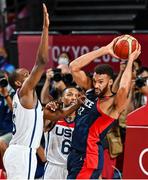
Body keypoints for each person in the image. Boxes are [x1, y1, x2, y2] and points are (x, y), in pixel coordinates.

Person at [67, 37, 141, 179]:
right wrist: (104, 50)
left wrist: (130, 61)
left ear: (111, 81)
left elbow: (124, 88)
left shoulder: (112, 104)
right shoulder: (91, 91)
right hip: (75, 153)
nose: (96, 85)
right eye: (95, 81)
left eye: (101, 82)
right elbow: (73, 67)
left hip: (88, 155)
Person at [2, 4, 50, 179]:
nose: (29, 74)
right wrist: (45, 28)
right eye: (25, 74)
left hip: (17, 152)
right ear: (18, 82)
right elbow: (42, 60)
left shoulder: (21, 97)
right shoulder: (24, 91)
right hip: (22, 154)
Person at [43, 87, 79, 179]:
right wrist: (47, 110)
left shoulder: (81, 121)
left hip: (73, 168)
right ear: (61, 99)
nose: (74, 98)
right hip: (53, 167)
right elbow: (43, 122)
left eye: (77, 96)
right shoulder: (53, 117)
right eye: (70, 94)